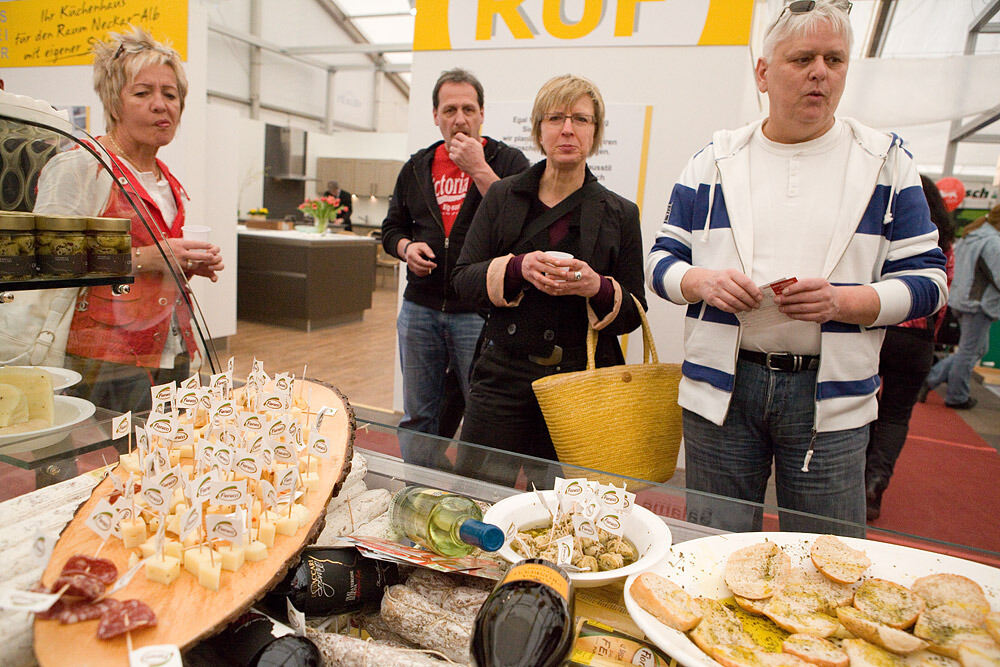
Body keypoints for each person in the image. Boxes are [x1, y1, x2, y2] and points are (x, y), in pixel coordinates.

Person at [645, 0, 947, 536]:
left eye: (834, 60)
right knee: (714, 545)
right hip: (721, 389)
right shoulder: (713, 159)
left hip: (829, 397)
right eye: (802, 57)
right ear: (762, 72)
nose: (820, 73)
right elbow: (662, 264)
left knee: (827, 557)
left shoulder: (885, 161)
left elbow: (929, 283)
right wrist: (702, 282)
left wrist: (844, 301)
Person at [452, 74, 646, 488]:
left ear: (596, 132)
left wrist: (598, 286)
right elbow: (461, 281)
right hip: (501, 376)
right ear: (539, 129)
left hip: (580, 382)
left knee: (567, 511)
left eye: (581, 119)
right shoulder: (502, 197)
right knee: (478, 498)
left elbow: (635, 312)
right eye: (556, 117)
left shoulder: (619, 213)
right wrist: (517, 267)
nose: (568, 129)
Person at [34, 26, 225, 413]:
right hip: (104, 359)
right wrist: (146, 258)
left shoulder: (167, 181)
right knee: (121, 464)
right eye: (143, 93)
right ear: (114, 102)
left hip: (172, 350)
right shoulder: (81, 167)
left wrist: (182, 263)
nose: (161, 105)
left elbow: (156, 259)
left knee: (168, 461)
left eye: (170, 95)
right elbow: (43, 257)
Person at [381, 68, 529, 469]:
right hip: (420, 309)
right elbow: (390, 228)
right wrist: (406, 247)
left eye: (468, 108)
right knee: (418, 416)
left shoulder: (509, 161)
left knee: (483, 418)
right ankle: (417, 492)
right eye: (450, 110)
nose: (459, 118)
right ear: (435, 116)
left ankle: (470, 498)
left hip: (478, 313)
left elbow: (522, 228)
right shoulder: (417, 166)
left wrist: (479, 169)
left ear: (482, 114)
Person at [865, 176, 955, 521]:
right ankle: (875, 484)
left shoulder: (886, 236)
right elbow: (944, 294)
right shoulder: (943, 243)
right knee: (896, 416)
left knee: (864, 408)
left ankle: (858, 474)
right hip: (917, 339)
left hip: (877, 330)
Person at [922, 204, 1000, 410]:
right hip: (977, 303)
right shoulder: (993, 243)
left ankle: (932, 379)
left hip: (962, 299)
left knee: (975, 349)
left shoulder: (972, 236)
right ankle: (956, 395)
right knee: (970, 351)